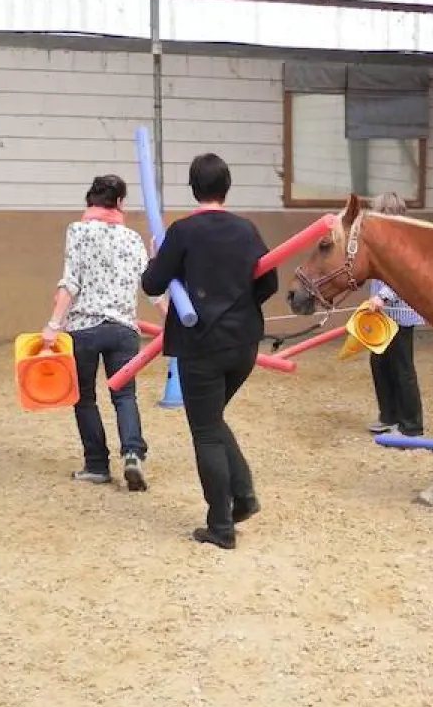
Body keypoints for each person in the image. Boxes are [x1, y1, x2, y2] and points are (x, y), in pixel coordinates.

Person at [141, 152, 279, 551]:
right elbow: (267, 282)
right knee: (213, 421)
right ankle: (244, 496)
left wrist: (159, 255)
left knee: (205, 430)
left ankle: (221, 525)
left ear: (194, 188)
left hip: (200, 345)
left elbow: (152, 284)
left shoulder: (183, 233)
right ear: (226, 187)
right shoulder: (247, 230)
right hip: (243, 345)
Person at [42, 173, 154, 492]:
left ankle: (96, 465)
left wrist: (53, 325)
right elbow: (152, 287)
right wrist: (174, 318)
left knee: (85, 398)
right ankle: (133, 453)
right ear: (119, 202)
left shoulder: (77, 231)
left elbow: (71, 282)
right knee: (125, 396)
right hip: (123, 330)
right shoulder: (132, 239)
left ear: (89, 201)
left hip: (84, 330)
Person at [364, 192, 426, 438]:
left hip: (401, 314)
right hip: (382, 315)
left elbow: (403, 276)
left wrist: (383, 297)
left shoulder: (405, 241)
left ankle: (411, 425)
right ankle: (388, 416)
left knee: (402, 368)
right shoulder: (383, 240)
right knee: (379, 363)